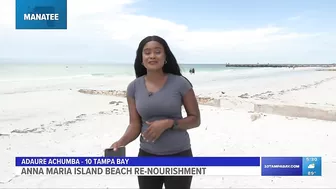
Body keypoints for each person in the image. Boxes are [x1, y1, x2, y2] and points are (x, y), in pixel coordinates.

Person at [110, 35, 201, 189]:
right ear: (141, 58)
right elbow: (134, 124)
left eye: (157, 51)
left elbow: (195, 119)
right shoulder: (133, 87)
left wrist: (168, 123)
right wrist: (121, 142)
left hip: (179, 155)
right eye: (147, 52)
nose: (152, 56)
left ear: (165, 56)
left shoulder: (180, 83)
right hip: (147, 156)